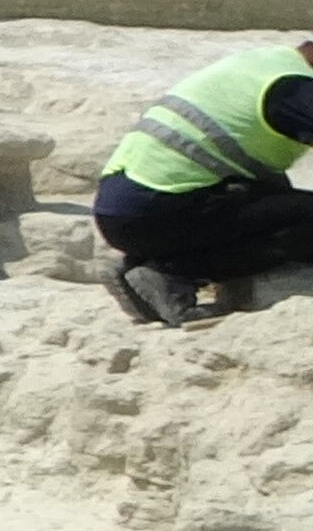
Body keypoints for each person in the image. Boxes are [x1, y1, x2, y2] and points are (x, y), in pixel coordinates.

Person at [95, 37, 313, 325]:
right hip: (158, 211)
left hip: (122, 208)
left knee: (281, 199)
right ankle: (172, 273)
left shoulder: (267, 62)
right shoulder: (294, 91)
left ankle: (148, 265)